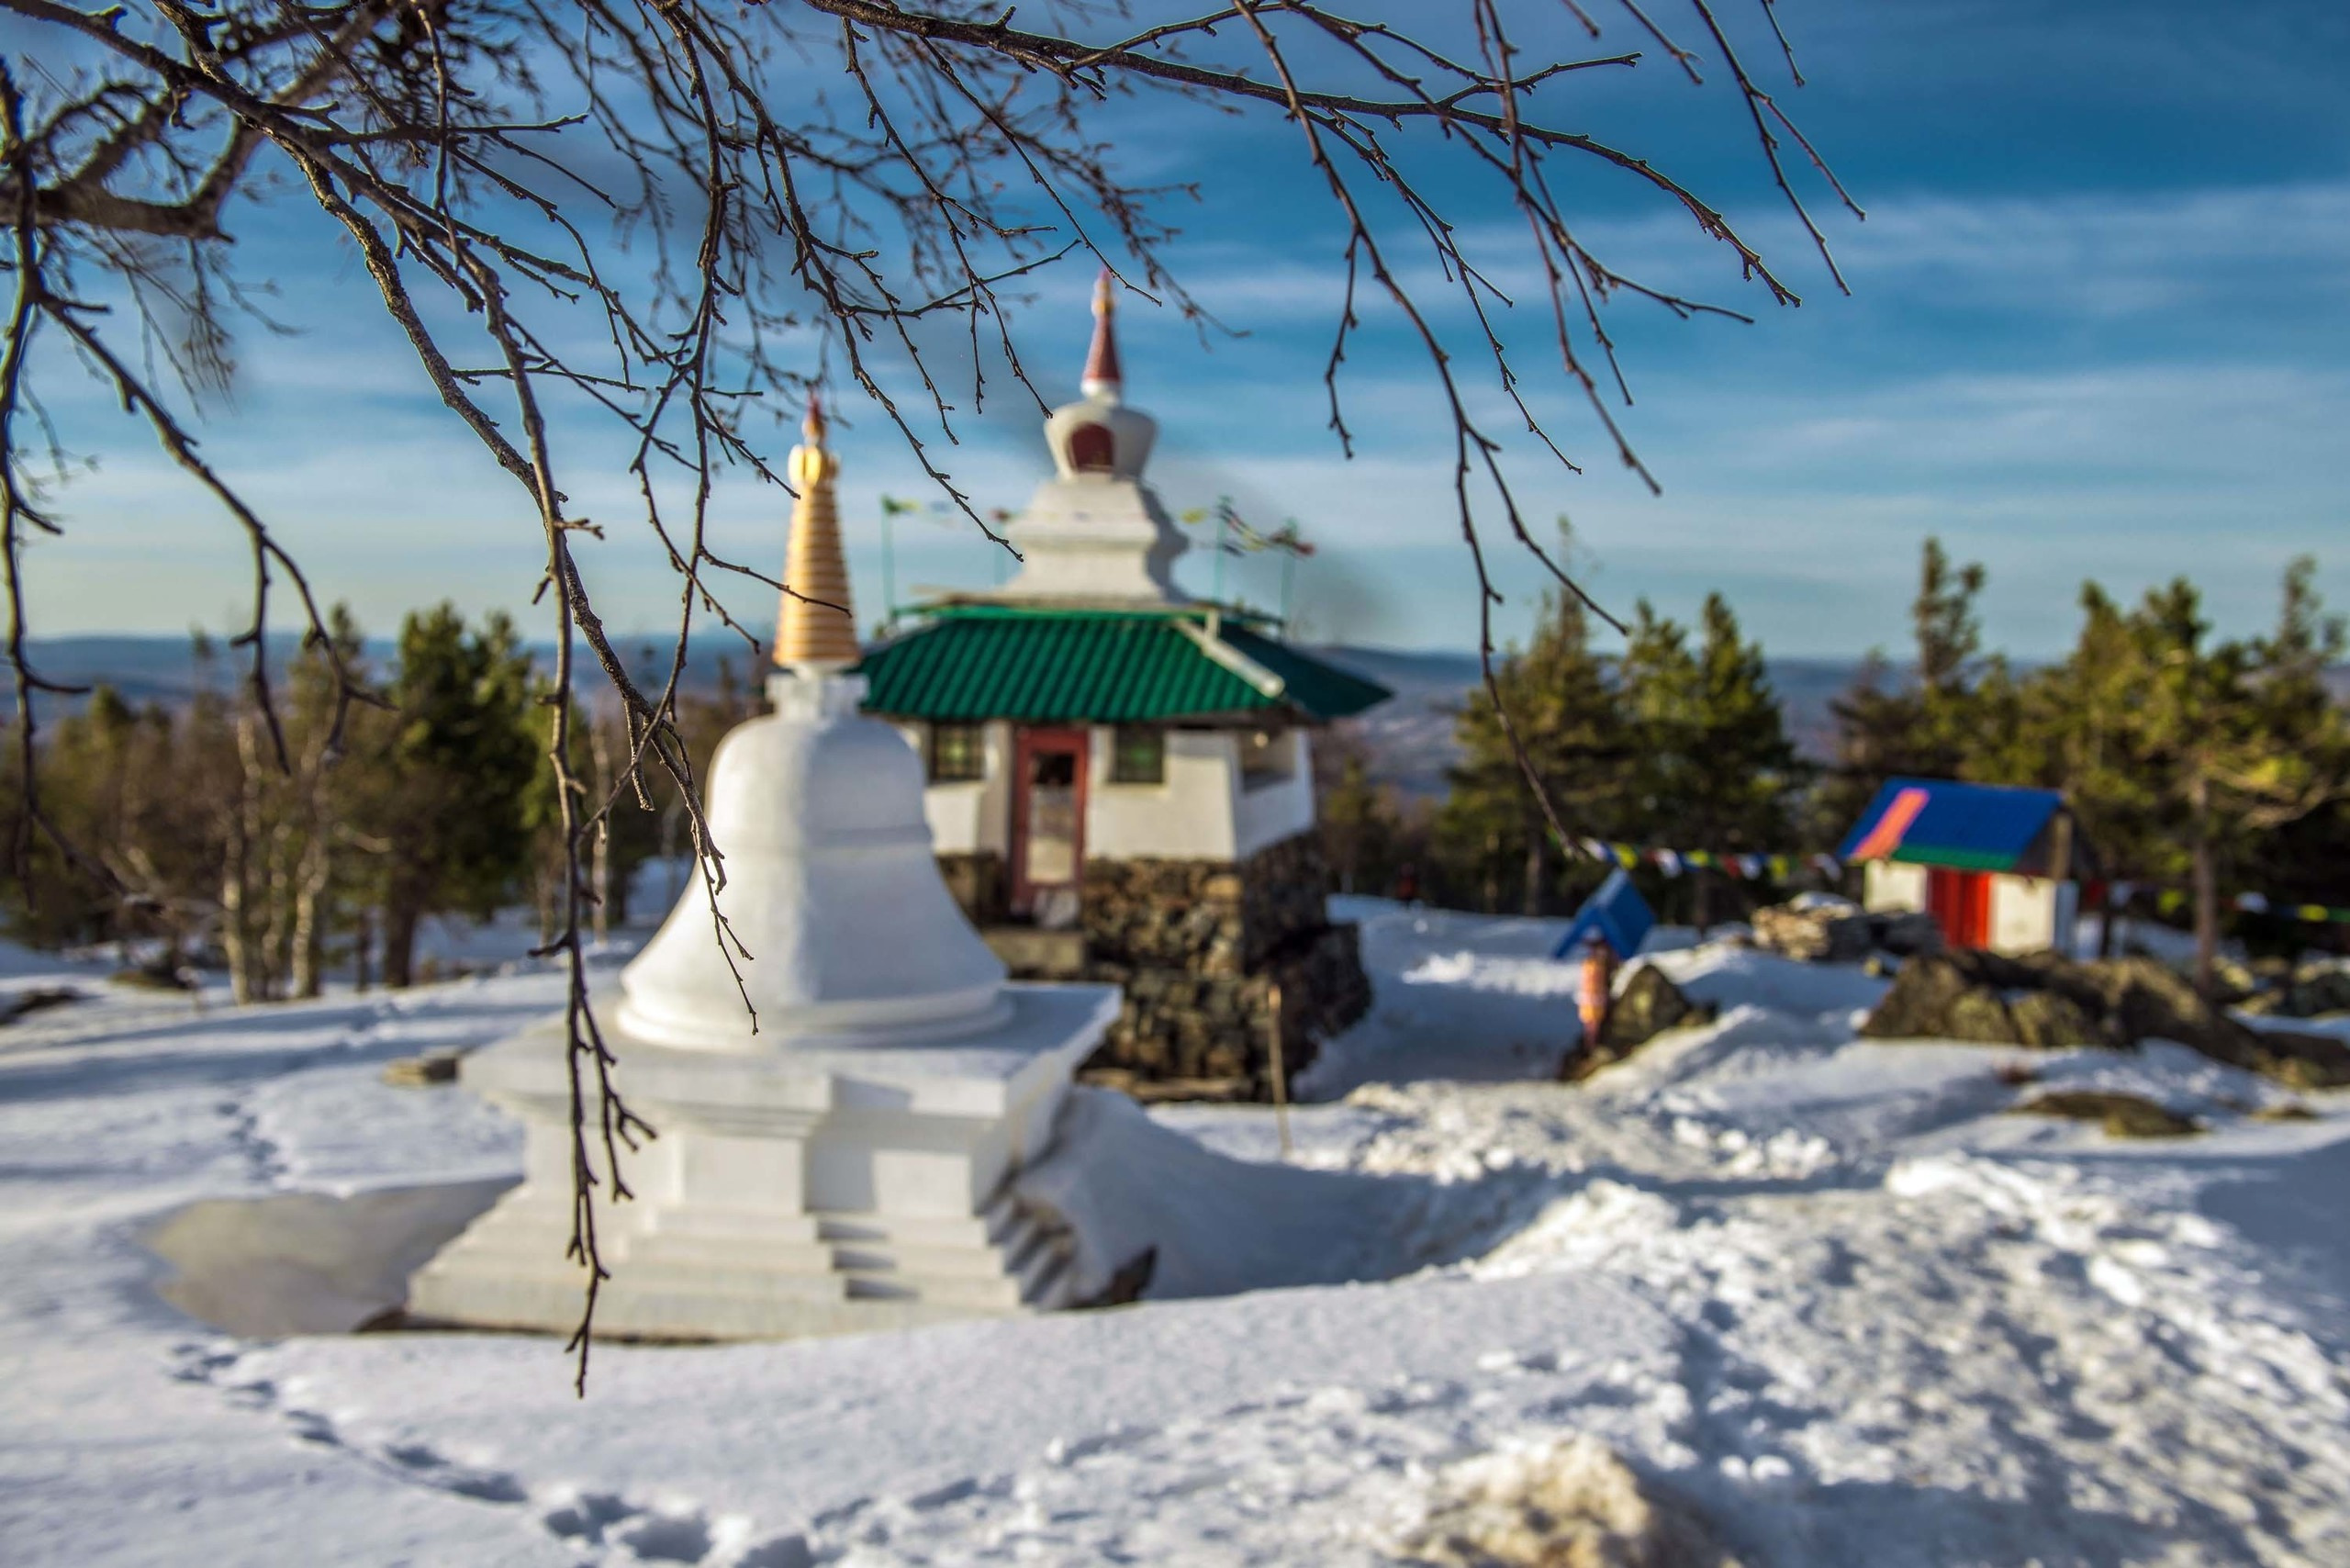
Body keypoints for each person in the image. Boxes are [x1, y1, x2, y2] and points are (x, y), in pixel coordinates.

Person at [1576, 930, 1617, 1047]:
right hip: (1593, 1002)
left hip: (1594, 1003)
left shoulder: (1592, 965)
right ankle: (1591, 1045)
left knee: (1593, 1025)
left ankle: (1592, 1044)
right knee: (1592, 1025)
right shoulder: (1593, 965)